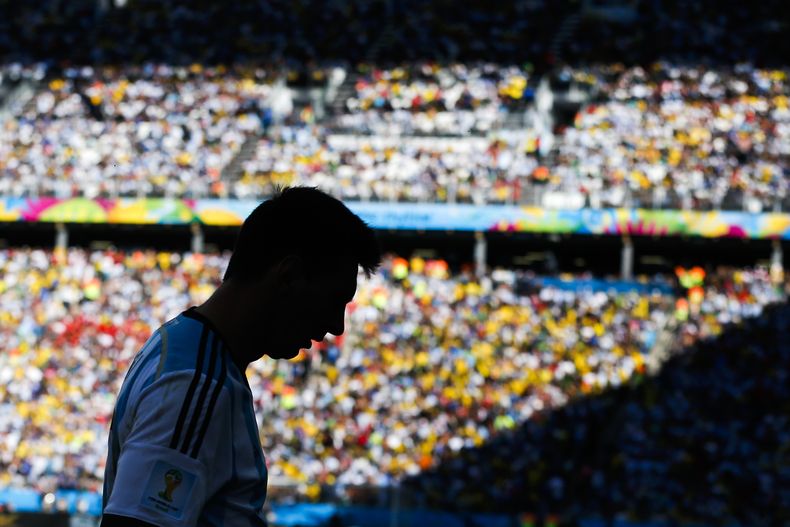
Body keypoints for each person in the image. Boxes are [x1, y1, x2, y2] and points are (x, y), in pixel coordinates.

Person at [100, 187, 381, 526]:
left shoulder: (182, 346)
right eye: (333, 300)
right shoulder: (196, 382)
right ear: (288, 276)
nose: (336, 326)